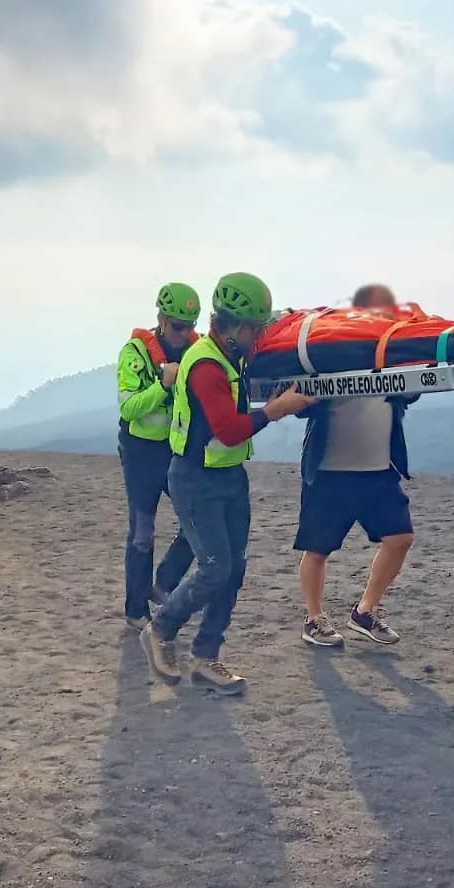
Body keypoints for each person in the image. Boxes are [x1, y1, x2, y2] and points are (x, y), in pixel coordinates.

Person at [139, 272, 317, 694]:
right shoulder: (204, 365)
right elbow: (230, 429)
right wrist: (277, 409)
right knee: (216, 567)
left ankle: (206, 656)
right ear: (230, 324)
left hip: (229, 476)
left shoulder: (231, 354)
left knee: (234, 570)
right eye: (253, 328)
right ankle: (160, 629)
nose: (257, 337)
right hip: (195, 479)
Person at [292, 283, 419, 648]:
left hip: (379, 471)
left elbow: (410, 392)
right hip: (329, 472)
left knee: (400, 538)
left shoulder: (392, 356)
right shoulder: (328, 353)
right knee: (318, 549)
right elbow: (303, 405)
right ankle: (314, 619)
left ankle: (365, 611)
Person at [117, 282, 201, 629]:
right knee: (143, 531)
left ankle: (163, 582)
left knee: (198, 521)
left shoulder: (197, 351)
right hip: (140, 452)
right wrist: (163, 384)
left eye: (189, 326)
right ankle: (136, 610)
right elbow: (129, 406)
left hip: (177, 449)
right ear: (162, 319)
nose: (184, 334)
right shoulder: (134, 353)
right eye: (178, 326)